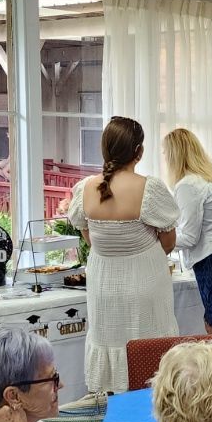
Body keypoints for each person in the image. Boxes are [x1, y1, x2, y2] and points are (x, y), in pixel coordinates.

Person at [69, 115, 179, 392]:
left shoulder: (85, 189)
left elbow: (89, 238)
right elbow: (168, 241)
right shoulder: (149, 188)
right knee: (150, 344)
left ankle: (111, 405)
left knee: (109, 341)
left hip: (104, 286)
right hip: (145, 283)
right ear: (139, 152)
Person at [163, 127, 212, 329]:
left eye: (166, 153)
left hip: (211, 258)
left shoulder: (188, 184)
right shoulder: (211, 177)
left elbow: (190, 237)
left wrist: (159, 240)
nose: (165, 158)